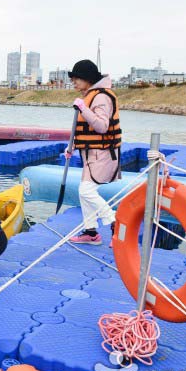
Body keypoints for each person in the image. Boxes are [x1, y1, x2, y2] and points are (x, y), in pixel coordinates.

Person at [65, 59, 122, 246]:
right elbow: (84, 129)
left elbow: (102, 126)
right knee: (84, 192)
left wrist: (83, 108)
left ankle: (115, 222)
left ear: (87, 78)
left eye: (76, 78)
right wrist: (72, 146)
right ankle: (91, 232)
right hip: (91, 153)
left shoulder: (101, 96)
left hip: (103, 153)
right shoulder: (91, 95)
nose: (73, 82)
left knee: (86, 190)